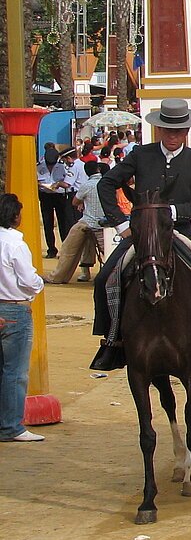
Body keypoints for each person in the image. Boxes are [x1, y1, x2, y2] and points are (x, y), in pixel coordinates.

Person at [88, 99, 191, 371]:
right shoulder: (140, 155)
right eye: (168, 130)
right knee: (104, 278)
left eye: (178, 131)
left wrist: (173, 212)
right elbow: (107, 183)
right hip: (143, 234)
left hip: (180, 230)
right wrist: (121, 224)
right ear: (159, 130)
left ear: (186, 132)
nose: (173, 136)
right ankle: (112, 340)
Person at [0, 194, 46, 443]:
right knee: (15, 372)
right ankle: (11, 426)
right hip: (14, 308)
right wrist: (38, 285)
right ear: (15, 216)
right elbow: (29, 280)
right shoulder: (16, 244)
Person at [44, 160, 107, 284]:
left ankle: (57, 277)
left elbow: (75, 202)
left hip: (88, 221)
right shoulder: (107, 183)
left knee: (69, 249)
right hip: (105, 223)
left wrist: (83, 202)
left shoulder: (87, 185)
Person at [36, 143, 69, 259]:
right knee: (47, 223)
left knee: (63, 223)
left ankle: (65, 249)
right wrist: (40, 184)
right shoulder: (39, 166)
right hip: (45, 196)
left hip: (59, 196)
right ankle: (51, 249)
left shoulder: (63, 166)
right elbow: (35, 181)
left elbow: (68, 181)